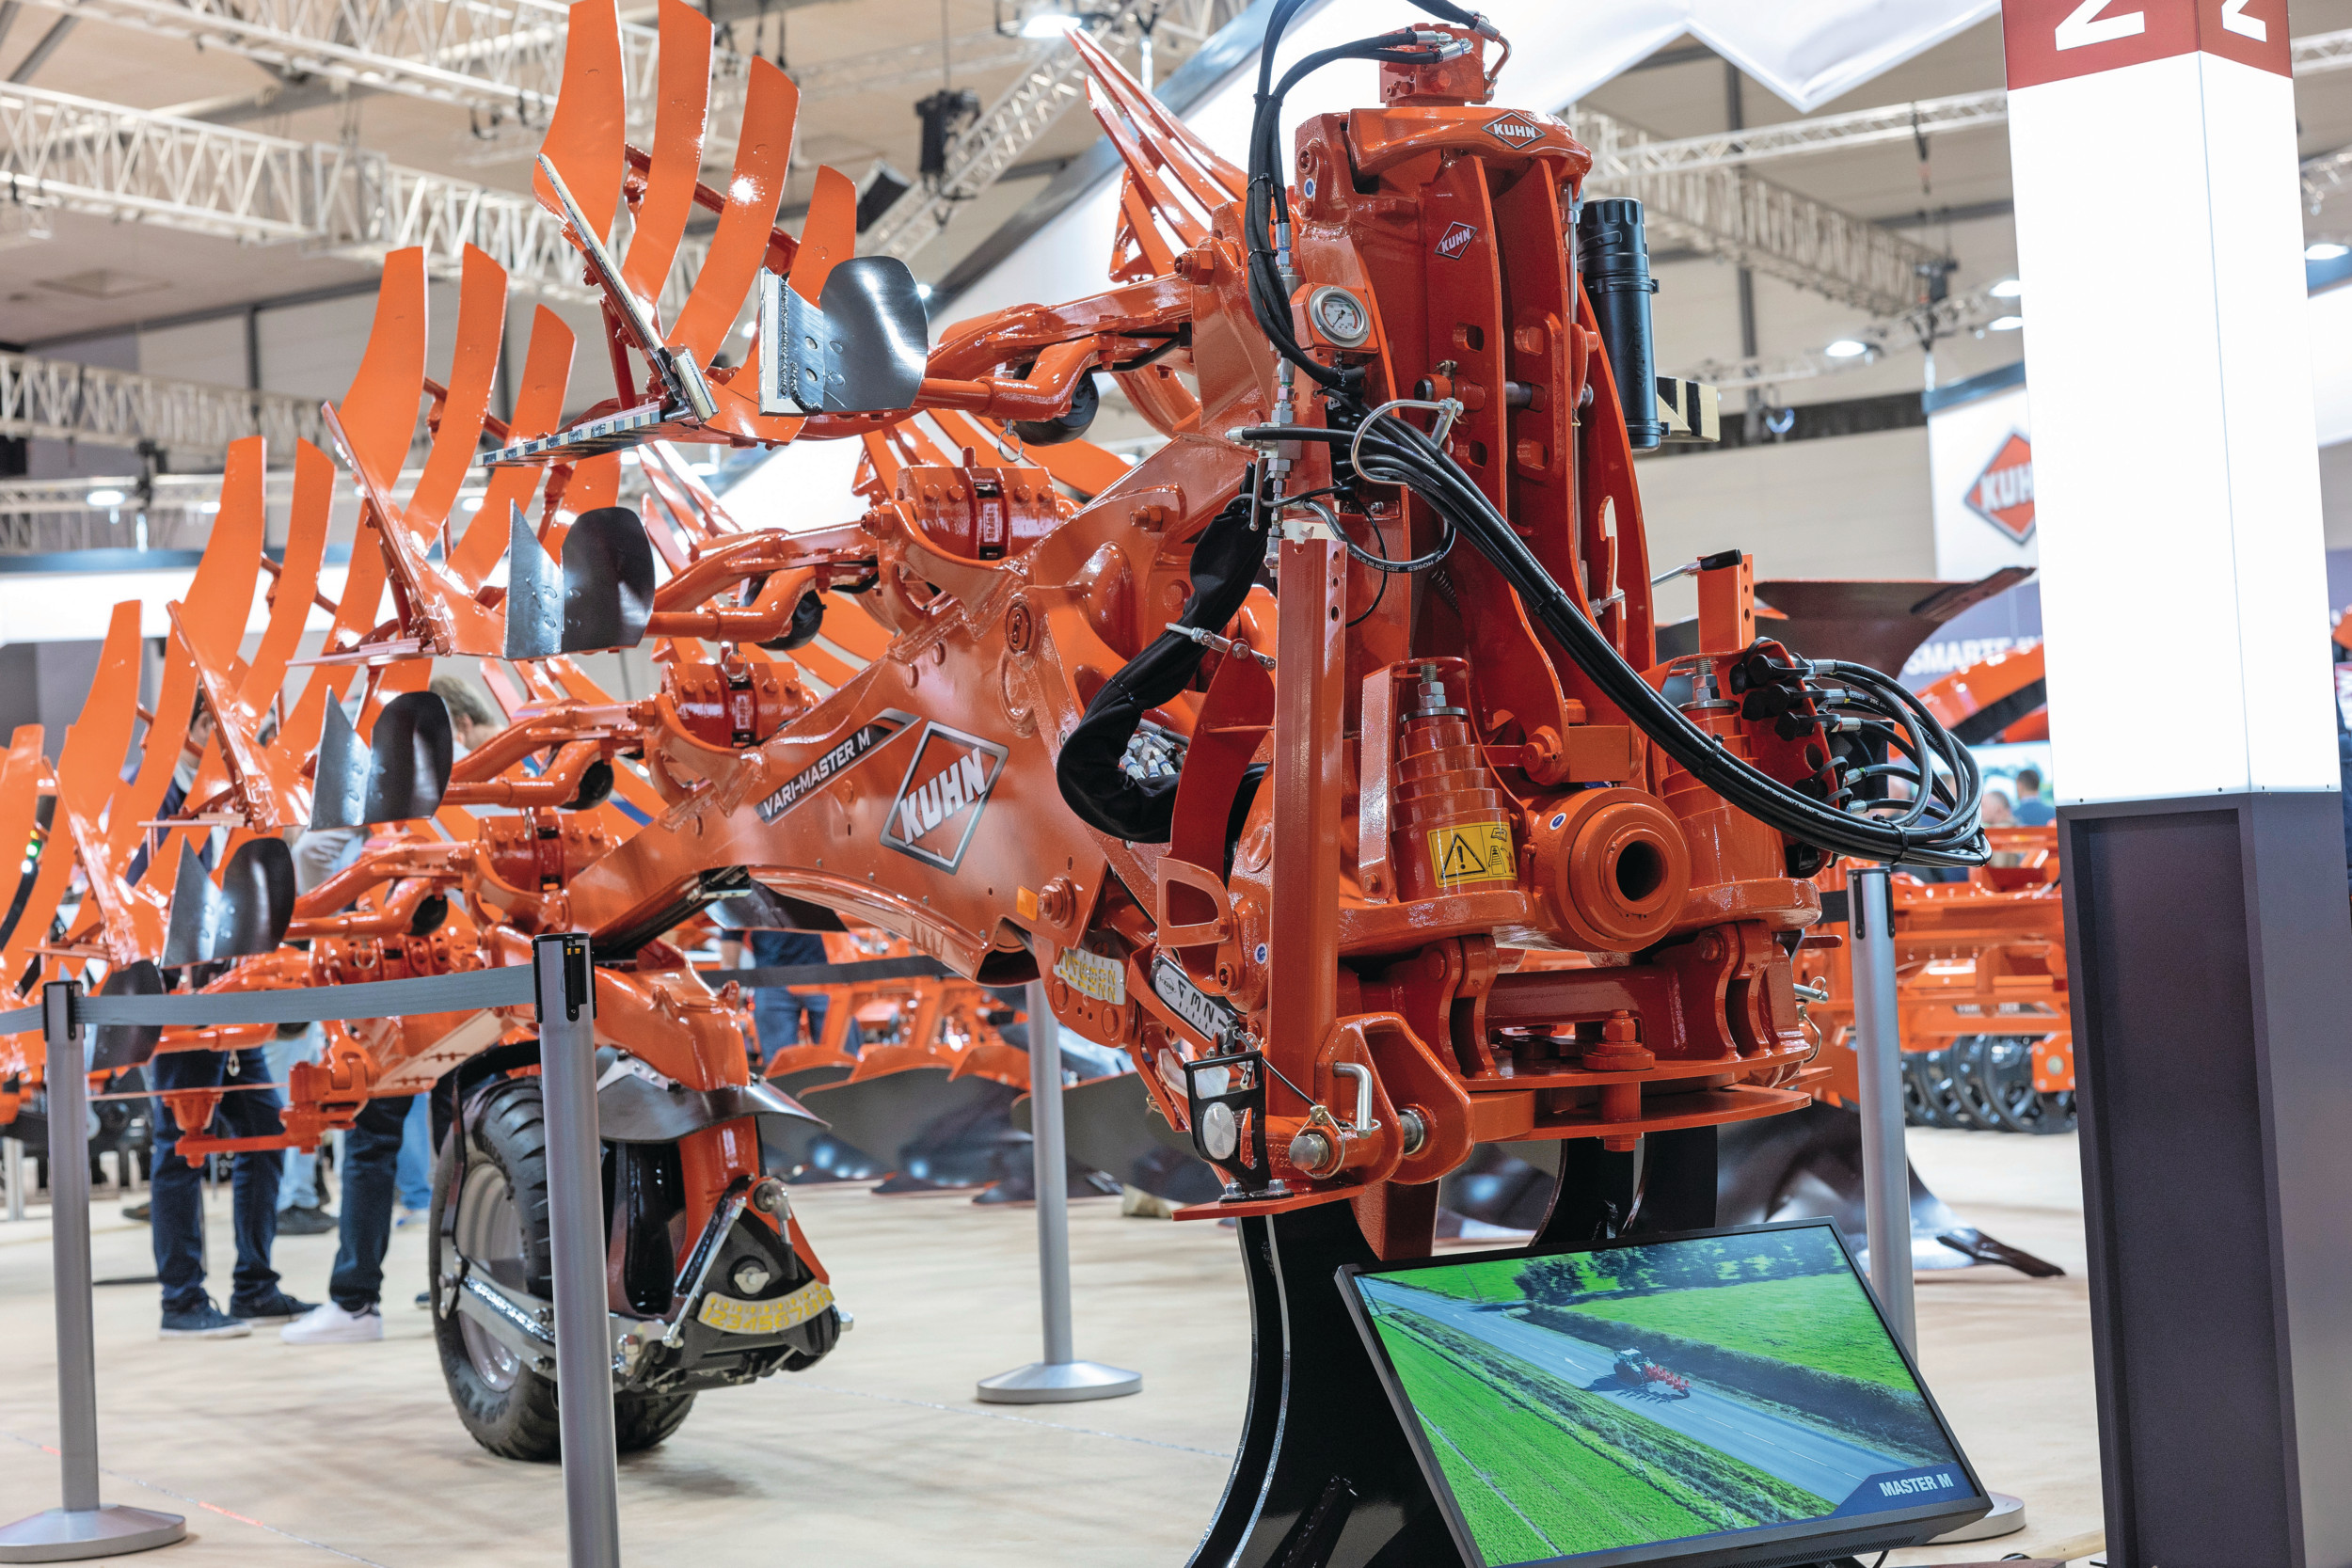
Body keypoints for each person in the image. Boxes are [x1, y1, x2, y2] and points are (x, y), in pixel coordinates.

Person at [134, 694, 313, 1337]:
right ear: (187, 731)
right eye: (216, 725)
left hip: (236, 1001)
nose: (231, 738)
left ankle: (254, 1285)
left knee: (262, 1134)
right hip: (179, 1009)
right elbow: (138, 902)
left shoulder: (235, 802)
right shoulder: (147, 803)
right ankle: (181, 1301)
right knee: (179, 1147)